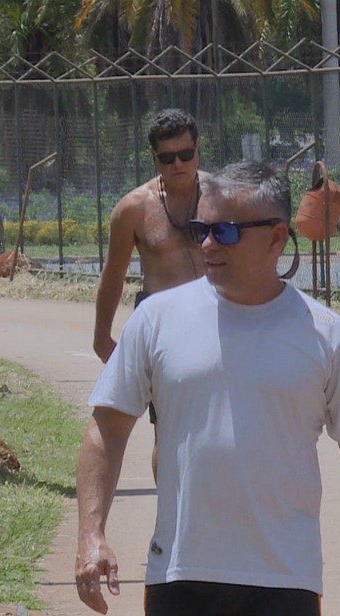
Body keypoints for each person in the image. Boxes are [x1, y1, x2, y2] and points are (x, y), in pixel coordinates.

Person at [75, 164, 340, 616]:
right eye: (200, 229)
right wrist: (91, 535)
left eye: (224, 231)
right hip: (180, 576)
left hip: (285, 581)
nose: (207, 244)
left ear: (276, 237)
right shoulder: (156, 319)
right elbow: (106, 428)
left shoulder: (326, 335)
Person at [92, 108, 205, 480]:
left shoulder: (224, 198)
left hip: (219, 319)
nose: (178, 164)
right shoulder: (133, 209)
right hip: (164, 328)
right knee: (169, 429)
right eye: (167, 158)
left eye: (185, 155)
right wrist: (101, 337)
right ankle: (171, 521)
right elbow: (114, 274)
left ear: (198, 151)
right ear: (153, 158)